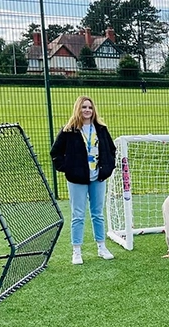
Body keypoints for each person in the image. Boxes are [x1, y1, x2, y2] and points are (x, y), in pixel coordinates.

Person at [50, 95, 117, 265]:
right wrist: (70, 168)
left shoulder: (101, 129)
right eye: (84, 107)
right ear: (78, 109)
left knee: (98, 214)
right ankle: (77, 251)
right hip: (77, 180)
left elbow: (111, 149)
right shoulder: (69, 130)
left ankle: (102, 247)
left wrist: (107, 168)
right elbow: (55, 153)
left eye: (90, 107)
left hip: (98, 178)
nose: (87, 110)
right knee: (78, 215)